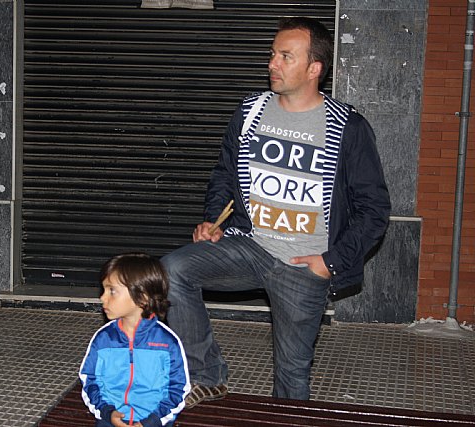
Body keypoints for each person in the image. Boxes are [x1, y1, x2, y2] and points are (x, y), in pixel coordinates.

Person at [161, 16, 391, 407]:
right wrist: (214, 219)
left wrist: (330, 262)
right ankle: (206, 375)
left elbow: (375, 209)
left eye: (286, 56)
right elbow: (225, 173)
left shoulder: (346, 126)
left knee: (292, 373)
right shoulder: (251, 111)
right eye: (273, 54)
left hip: (305, 264)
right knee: (171, 270)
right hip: (252, 245)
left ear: (314, 68)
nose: (273, 63)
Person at [79, 253, 191, 427]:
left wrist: (151, 421)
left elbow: (178, 389)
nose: (102, 297)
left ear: (143, 296)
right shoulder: (103, 339)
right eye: (103, 290)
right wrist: (107, 412)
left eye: (112, 291)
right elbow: (90, 380)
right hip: (110, 420)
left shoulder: (167, 342)